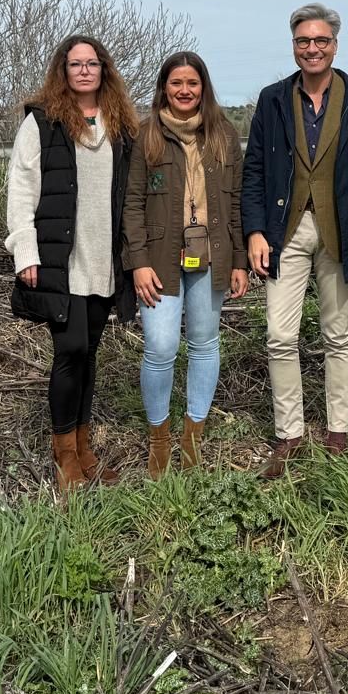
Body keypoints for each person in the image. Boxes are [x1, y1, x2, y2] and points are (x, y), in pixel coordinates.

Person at [241, 3, 348, 478]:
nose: (312, 48)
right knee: (280, 335)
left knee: (338, 333)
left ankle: (338, 431)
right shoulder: (273, 100)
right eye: (304, 41)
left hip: (341, 231)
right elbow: (255, 171)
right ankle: (290, 435)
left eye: (321, 40)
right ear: (293, 46)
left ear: (335, 45)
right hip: (285, 231)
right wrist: (255, 231)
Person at [6, 34, 139, 491]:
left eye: (92, 63)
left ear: (104, 70)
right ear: (63, 72)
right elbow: (21, 189)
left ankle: (84, 449)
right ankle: (64, 455)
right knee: (71, 350)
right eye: (75, 64)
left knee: (90, 353)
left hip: (105, 257)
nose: (84, 70)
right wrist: (26, 252)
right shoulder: (42, 122)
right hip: (62, 256)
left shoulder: (120, 123)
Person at [123, 52, 250, 478]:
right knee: (160, 347)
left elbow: (235, 203)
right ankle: (159, 437)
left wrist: (239, 261)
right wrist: (138, 262)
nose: (184, 90)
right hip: (159, 259)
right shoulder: (147, 136)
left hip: (212, 254)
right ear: (164, 87)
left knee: (204, 343)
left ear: (203, 87)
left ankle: (192, 435)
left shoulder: (224, 135)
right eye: (176, 82)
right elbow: (133, 204)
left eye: (192, 83)